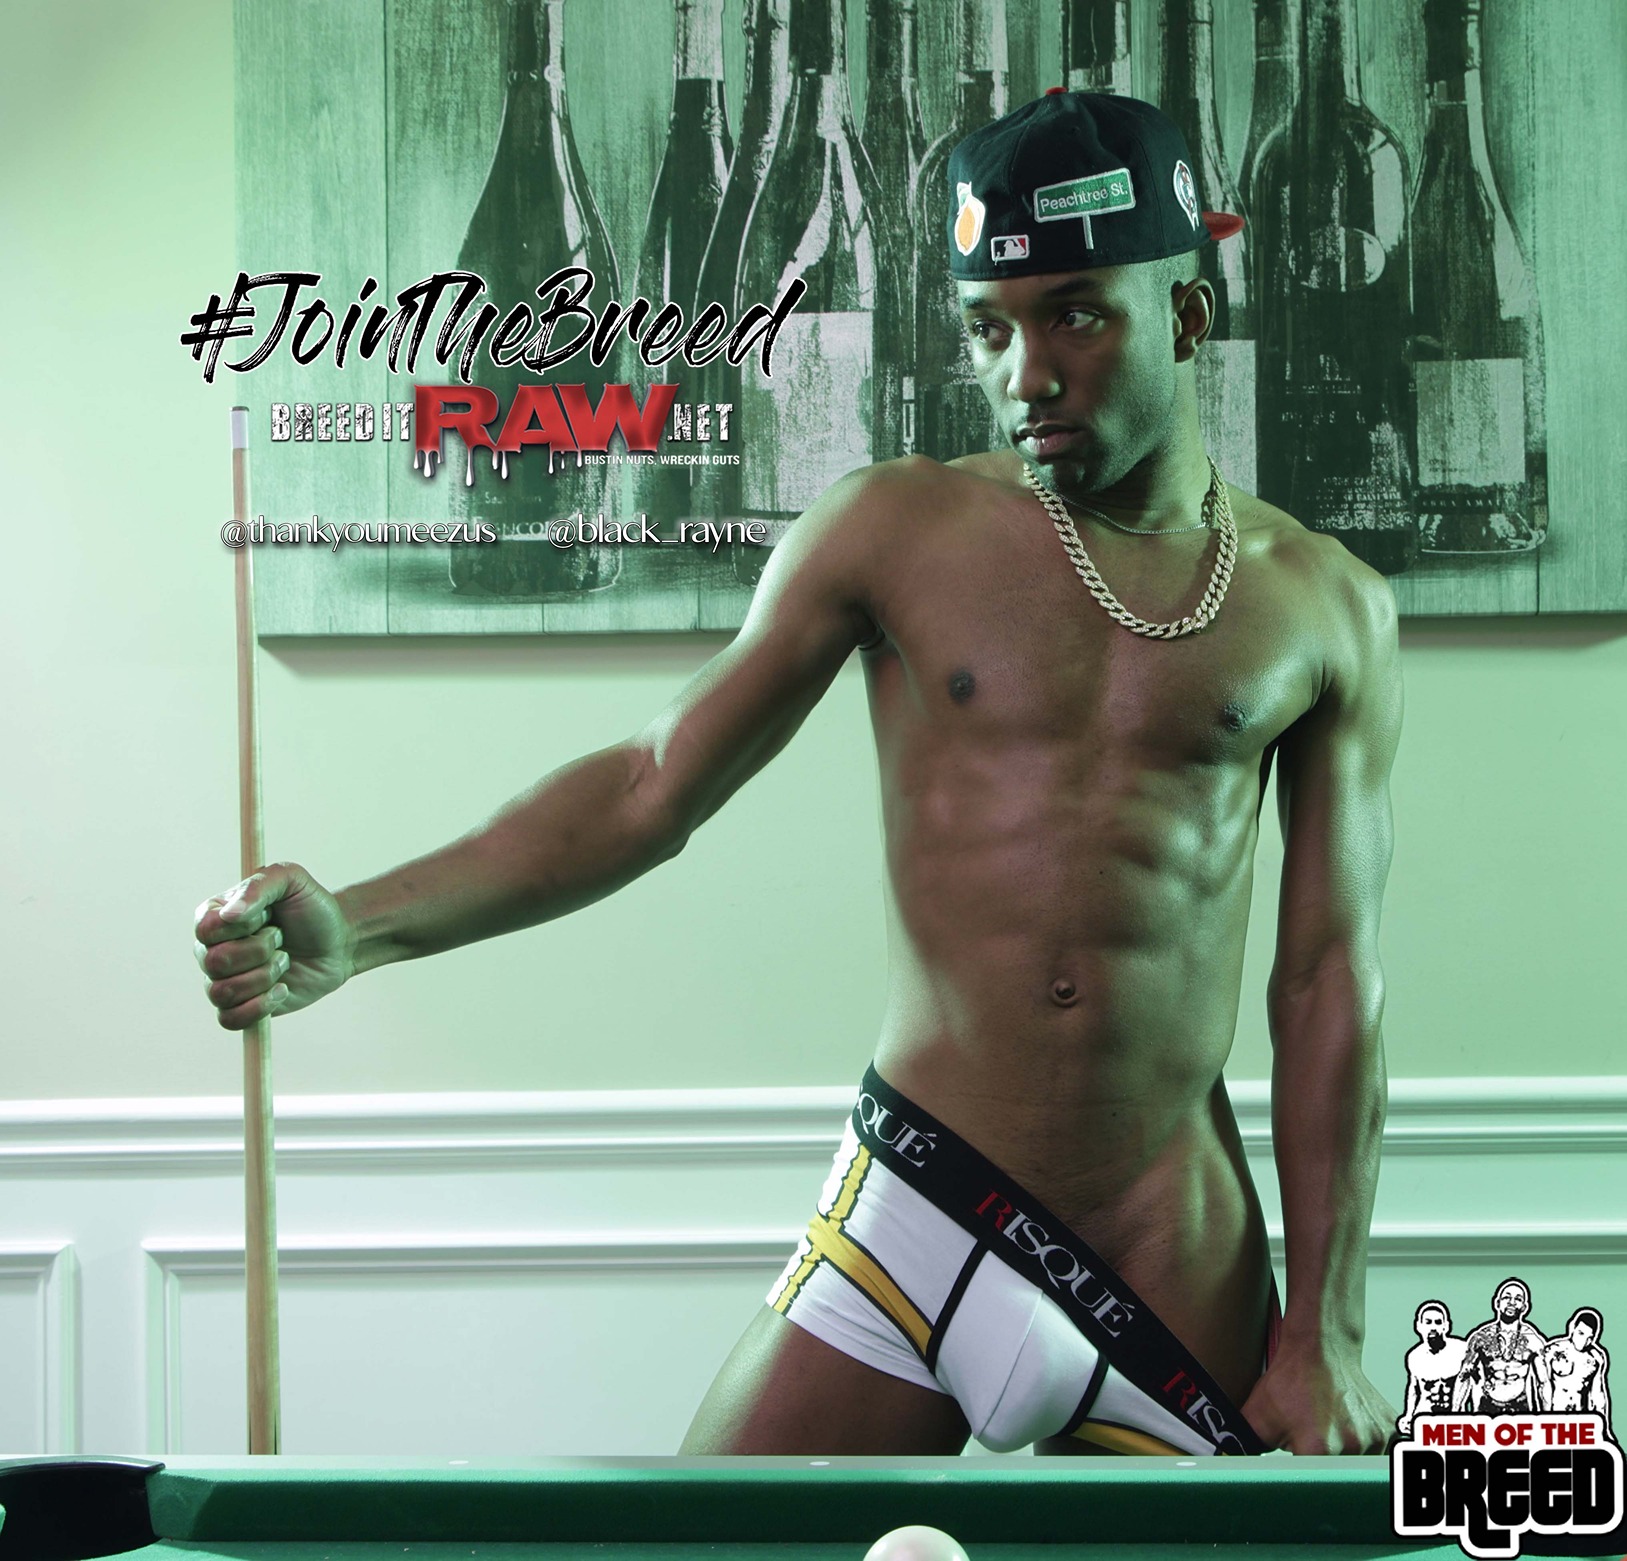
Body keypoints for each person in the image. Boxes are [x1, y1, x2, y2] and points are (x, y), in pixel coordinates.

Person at [194, 92, 1401, 1456]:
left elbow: (1327, 980)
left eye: (1075, 315)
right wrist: (358, 926)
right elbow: (651, 781)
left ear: (1185, 316)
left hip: (1165, 1244)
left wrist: (1325, 1334)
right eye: (989, 328)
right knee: (705, 1549)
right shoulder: (894, 528)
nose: (1025, 375)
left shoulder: (1322, 604)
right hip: (923, 1205)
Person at [1453, 1278, 1547, 1415]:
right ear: (1497, 1303)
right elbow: (1464, 1376)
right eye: (1507, 1297)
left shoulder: (1533, 1340)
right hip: (1487, 1407)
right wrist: (1455, 1412)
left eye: (1518, 1299)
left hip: (1521, 1407)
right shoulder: (1481, 1337)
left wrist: (1549, 1415)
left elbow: (1543, 1383)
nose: (1511, 1302)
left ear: (1524, 1307)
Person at [1398, 1301, 1467, 1435]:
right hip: (1425, 1416)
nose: (1433, 1327)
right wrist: (1408, 1415)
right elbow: (1414, 1388)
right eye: (1428, 1322)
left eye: (1438, 1322)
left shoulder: (1461, 1350)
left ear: (1446, 1326)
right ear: (1419, 1326)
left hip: (1455, 1418)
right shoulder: (1414, 1356)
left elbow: (1476, 1382)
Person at [1536, 1307, 1611, 1421]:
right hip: (1555, 1416)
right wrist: (1546, 1417)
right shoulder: (1552, 1351)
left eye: (1589, 1338)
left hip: (1580, 1419)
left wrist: (1603, 1424)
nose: (1584, 1342)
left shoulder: (1596, 1358)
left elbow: (1597, 1395)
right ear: (1572, 1328)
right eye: (1581, 1333)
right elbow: (1543, 1387)